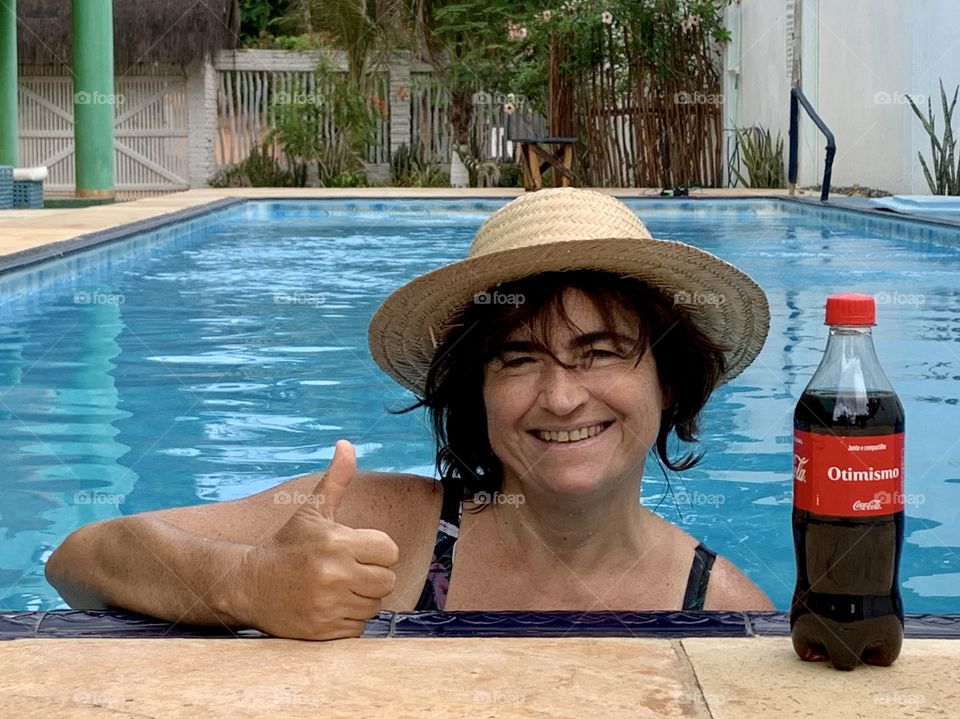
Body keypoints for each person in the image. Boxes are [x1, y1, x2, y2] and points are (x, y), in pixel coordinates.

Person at [46, 188, 774, 641]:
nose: (559, 396)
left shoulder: (724, 607)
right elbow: (80, 558)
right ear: (477, 393)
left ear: (667, 381)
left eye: (600, 351)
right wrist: (250, 584)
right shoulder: (386, 530)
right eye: (518, 358)